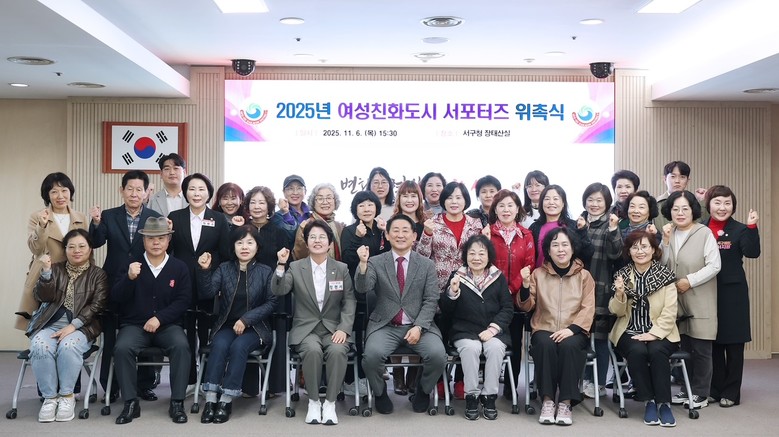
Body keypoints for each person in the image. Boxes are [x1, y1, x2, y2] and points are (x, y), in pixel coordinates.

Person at [355, 214, 447, 415]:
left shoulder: (426, 264)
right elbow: (363, 288)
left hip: (419, 325)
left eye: (405, 231)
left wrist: (419, 326)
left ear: (414, 236)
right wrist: (362, 264)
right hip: (385, 325)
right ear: (387, 235)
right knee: (371, 356)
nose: (400, 235)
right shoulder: (375, 261)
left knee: (438, 355)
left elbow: (431, 299)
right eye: (395, 230)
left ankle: (423, 391)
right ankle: (380, 393)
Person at [272, 220, 356, 425]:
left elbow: (349, 301)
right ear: (306, 242)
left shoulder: (341, 268)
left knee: (337, 351)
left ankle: (330, 403)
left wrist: (344, 329)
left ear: (330, 243)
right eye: (312, 237)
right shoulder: (295, 267)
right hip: (306, 329)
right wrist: (281, 265)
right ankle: (313, 402)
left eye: (322, 237)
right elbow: (279, 289)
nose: (317, 241)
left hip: (334, 328)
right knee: (312, 351)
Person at [110, 217, 192, 424]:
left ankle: (177, 402)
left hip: (167, 326)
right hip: (135, 325)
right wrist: (129, 278)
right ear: (143, 240)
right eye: (151, 238)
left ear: (168, 240)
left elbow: (183, 300)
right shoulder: (131, 265)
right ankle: (130, 402)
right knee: (122, 348)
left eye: (161, 238)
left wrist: (159, 318)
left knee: (181, 346)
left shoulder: (179, 267)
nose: (156, 242)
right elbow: (116, 297)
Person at [89, 170, 162, 402]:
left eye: (139, 189)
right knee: (111, 336)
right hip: (114, 283)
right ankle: (110, 385)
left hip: (145, 284)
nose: (134, 193)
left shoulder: (154, 216)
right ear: (121, 190)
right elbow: (96, 242)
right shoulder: (109, 215)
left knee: (145, 332)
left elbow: (160, 247)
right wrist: (96, 223)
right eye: (129, 189)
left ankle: (144, 384)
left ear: (146, 192)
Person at [196, 225, 277, 424]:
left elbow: (272, 302)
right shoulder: (224, 268)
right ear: (233, 246)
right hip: (227, 325)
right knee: (219, 345)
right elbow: (207, 293)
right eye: (240, 243)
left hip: (255, 328)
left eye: (250, 242)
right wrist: (204, 270)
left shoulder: (266, 271)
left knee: (239, 346)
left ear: (257, 246)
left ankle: (226, 400)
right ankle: (211, 399)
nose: (244, 247)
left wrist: (246, 319)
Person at [27, 229, 108, 422]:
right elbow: (43, 297)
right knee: (39, 345)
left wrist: (73, 326)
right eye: (71, 247)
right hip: (50, 325)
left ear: (90, 249)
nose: (76, 250)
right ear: (65, 250)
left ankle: (66, 396)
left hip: (82, 327)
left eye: (81, 246)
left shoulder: (98, 274)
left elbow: (97, 305)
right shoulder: (55, 269)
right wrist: (46, 273)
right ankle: (49, 398)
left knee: (68, 346)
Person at [517, 227, 595, 426]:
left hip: (574, 329)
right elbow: (526, 306)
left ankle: (565, 403)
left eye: (565, 245)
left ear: (572, 248)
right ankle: (547, 400)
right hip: (544, 326)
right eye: (555, 245)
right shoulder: (538, 274)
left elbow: (588, 307)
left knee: (569, 346)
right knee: (545, 344)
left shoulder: (584, 276)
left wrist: (572, 329)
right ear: (548, 250)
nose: (561, 249)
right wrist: (524, 285)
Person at [609, 230, 680, 427]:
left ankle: (664, 404)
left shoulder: (665, 276)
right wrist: (620, 294)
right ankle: (649, 401)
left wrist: (654, 334)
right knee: (637, 351)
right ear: (629, 251)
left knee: (657, 351)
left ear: (654, 250)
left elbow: (670, 311)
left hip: (661, 331)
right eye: (635, 247)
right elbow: (616, 311)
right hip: (629, 330)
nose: (640, 251)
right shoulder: (622, 275)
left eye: (644, 247)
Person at [167, 173, 231, 391]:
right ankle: (189, 379)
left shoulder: (218, 219)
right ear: (185, 192)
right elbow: (168, 249)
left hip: (209, 281)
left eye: (201, 189)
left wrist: (220, 283)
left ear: (209, 193)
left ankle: (206, 380)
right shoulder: (175, 217)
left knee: (207, 331)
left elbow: (225, 253)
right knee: (185, 331)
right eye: (192, 189)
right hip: (181, 281)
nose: (196, 193)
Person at [440, 235, 513, 420]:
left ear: (489, 256)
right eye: (472, 253)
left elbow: (507, 308)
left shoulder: (498, 277)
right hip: (464, 330)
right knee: (471, 348)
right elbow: (446, 310)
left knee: (495, 348)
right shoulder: (458, 276)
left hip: (493, 331)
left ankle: (489, 396)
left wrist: (493, 329)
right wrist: (452, 291)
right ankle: (471, 396)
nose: (476, 258)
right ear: (466, 256)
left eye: (481, 253)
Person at [660, 190, 721, 409]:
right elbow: (662, 266)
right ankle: (687, 389)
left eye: (685, 208)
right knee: (684, 347)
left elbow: (714, 265)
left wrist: (690, 281)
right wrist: (665, 242)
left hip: (700, 297)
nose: (680, 213)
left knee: (701, 348)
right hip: (676, 301)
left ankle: (701, 393)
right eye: (675, 209)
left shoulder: (704, 233)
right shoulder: (669, 233)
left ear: (693, 210)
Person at [704, 186, 760, 407]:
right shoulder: (700, 228)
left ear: (733, 206)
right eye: (717, 202)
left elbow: (752, 252)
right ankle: (715, 388)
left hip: (733, 293)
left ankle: (731, 391)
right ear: (709, 205)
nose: (722, 208)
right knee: (714, 341)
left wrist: (752, 226)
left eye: (727, 203)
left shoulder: (740, 229)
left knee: (734, 343)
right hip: (706, 291)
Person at [18, 172, 90, 331]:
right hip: (46, 275)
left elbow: (86, 249)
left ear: (70, 192)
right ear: (47, 195)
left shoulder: (81, 217)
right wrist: (42, 226)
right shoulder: (37, 216)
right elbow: (35, 248)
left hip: (74, 276)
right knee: (41, 324)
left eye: (64, 190)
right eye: (54, 192)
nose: (60, 196)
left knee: (72, 323)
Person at [485, 189, 535, 400]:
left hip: (515, 298)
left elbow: (529, 265)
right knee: (489, 339)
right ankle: (487, 385)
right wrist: (498, 289)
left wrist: (511, 288)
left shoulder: (526, 235)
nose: (506, 210)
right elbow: (481, 263)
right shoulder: (487, 233)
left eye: (510, 205)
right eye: (501, 206)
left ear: (517, 209)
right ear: (495, 209)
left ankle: (511, 386)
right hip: (489, 296)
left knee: (515, 342)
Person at [578, 183, 622, 399]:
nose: (594, 204)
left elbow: (616, 254)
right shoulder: (579, 222)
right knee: (581, 337)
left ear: (607, 203)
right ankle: (583, 379)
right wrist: (580, 230)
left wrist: (613, 230)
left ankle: (599, 382)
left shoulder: (611, 224)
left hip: (601, 290)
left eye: (599, 200)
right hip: (577, 291)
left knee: (601, 339)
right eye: (590, 200)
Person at [390, 179, 428, 393]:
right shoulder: (390, 224)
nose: (409, 199)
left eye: (414, 195)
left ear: (420, 199)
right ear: (399, 199)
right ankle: (397, 376)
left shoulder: (427, 224)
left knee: (416, 325)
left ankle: (413, 376)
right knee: (395, 323)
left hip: (420, 282)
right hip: (395, 280)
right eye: (405, 195)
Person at [528, 184, 593, 268]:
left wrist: (582, 231)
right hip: (541, 275)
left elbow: (587, 254)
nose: (551, 202)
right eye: (547, 199)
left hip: (568, 275)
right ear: (541, 203)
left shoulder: (573, 226)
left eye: (556, 199)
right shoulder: (534, 227)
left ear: (563, 204)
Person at [293, 183, 345, 260]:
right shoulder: (306, 225)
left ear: (335, 201)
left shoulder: (339, 226)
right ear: (313, 203)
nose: (325, 202)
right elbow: (299, 256)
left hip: (337, 267)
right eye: (320, 199)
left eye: (329, 198)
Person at [654, 161, 708, 230]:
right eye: (673, 176)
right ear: (665, 179)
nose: (677, 181)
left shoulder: (696, 203)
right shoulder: (655, 205)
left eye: (682, 177)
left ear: (687, 181)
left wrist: (704, 201)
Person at [271, 174, 312, 243]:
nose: (295, 193)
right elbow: (290, 237)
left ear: (305, 191)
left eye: (299, 188)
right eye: (290, 188)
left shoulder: (311, 214)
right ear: (284, 192)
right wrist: (286, 213)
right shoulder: (277, 216)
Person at [147, 153, 187, 217]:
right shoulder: (153, 200)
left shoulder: (193, 198)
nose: (172, 173)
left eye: (176, 168)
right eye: (167, 169)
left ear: (184, 173)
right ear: (161, 174)